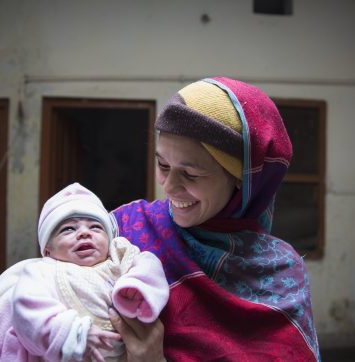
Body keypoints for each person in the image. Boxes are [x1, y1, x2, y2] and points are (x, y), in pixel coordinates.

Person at [109, 77, 320, 361]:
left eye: (190, 174)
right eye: (163, 165)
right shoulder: (125, 230)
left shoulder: (282, 276)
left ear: (241, 181)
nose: (169, 187)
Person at [0, 183, 169, 362]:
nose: (84, 233)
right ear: (47, 250)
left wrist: (137, 288)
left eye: (95, 227)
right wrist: (71, 333)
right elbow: (27, 308)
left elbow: (149, 264)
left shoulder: (118, 258)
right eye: (69, 229)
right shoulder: (41, 271)